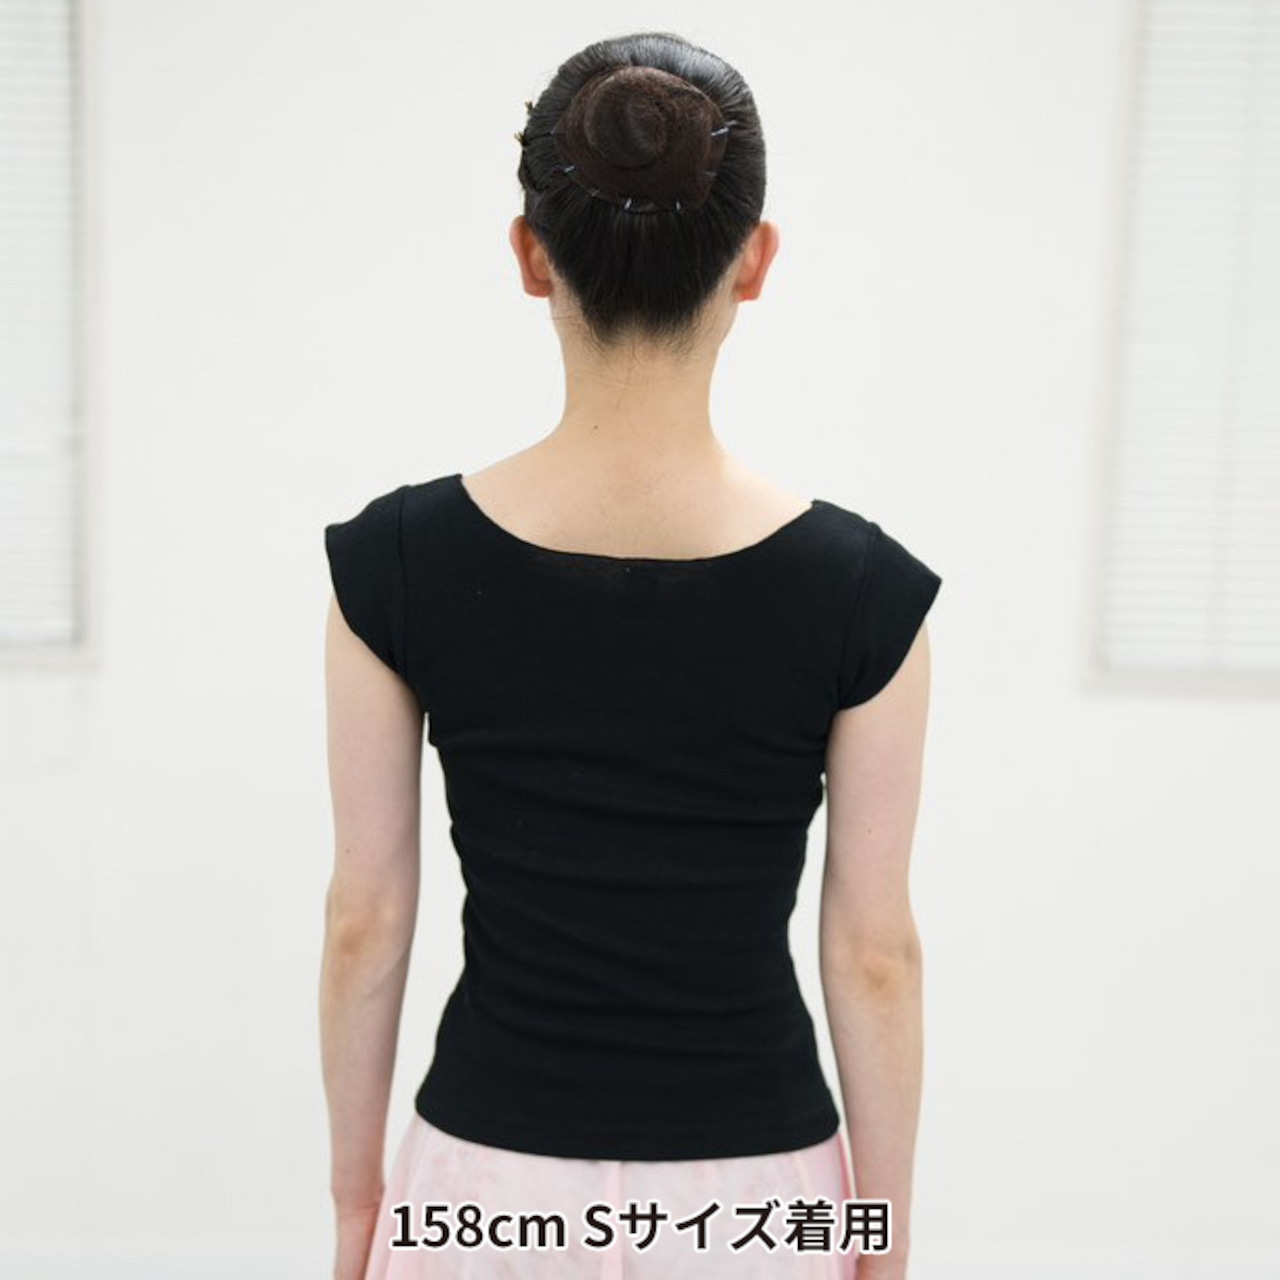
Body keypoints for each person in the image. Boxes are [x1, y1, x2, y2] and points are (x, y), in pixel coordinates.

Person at [320, 30, 941, 1280]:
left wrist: (355, 1205)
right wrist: (880, 1241)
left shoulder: (393, 562)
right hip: (755, 1197)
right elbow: (873, 955)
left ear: (529, 254)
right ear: (753, 260)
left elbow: (365, 921)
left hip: (480, 1186)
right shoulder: (865, 589)